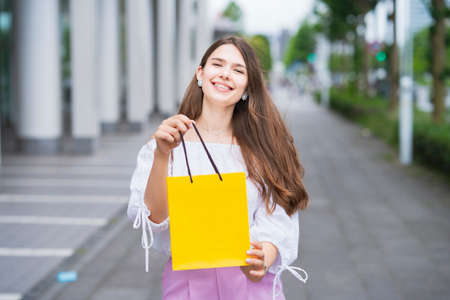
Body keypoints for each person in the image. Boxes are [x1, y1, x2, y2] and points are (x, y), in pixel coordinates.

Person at [127, 36, 309, 300]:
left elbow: (279, 219)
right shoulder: (166, 143)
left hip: (252, 287)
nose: (226, 74)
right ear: (200, 73)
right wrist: (162, 155)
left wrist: (264, 257)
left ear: (247, 87)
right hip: (187, 286)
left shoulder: (264, 149)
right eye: (218, 64)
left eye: (238, 70)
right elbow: (151, 219)